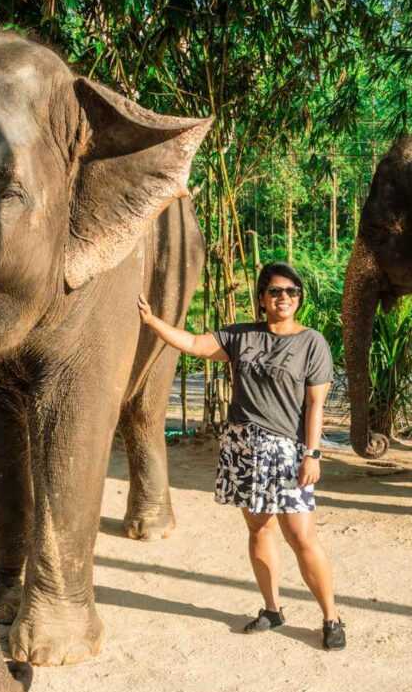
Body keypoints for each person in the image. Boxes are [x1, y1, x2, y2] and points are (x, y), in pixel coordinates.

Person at [138, 261, 346, 650]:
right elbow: (196, 344)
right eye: (275, 291)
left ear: (298, 299)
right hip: (241, 445)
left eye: (291, 292)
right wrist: (153, 322)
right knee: (259, 528)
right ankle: (272, 609)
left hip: (286, 449)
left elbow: (316, 405)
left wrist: (312, 453)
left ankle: (331, 617)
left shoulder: (311, 342)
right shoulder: (242, 336)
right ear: (262, 299)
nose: (284, 298)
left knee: (301, 536)